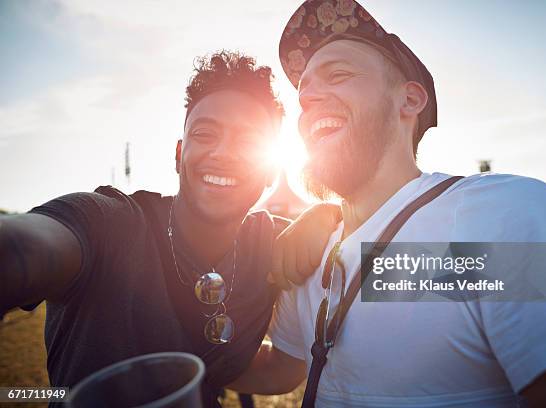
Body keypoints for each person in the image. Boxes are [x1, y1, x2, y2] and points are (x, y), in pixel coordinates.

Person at [229, 1, 546, 406]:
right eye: (304, 95)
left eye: (338, 75)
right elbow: (285, 368)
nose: (310, 99)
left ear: (409, 100)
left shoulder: (503, 213)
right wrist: (183, 356)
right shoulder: (308, 252)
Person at [0, 50, 338, 406]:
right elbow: (25, 248)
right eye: (206, 134)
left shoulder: (272, 243)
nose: (223, 152)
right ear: (179, 155)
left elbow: (278, 370)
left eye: (248, 140)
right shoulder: (110, 223)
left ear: (271, 169)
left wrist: (331, 214)